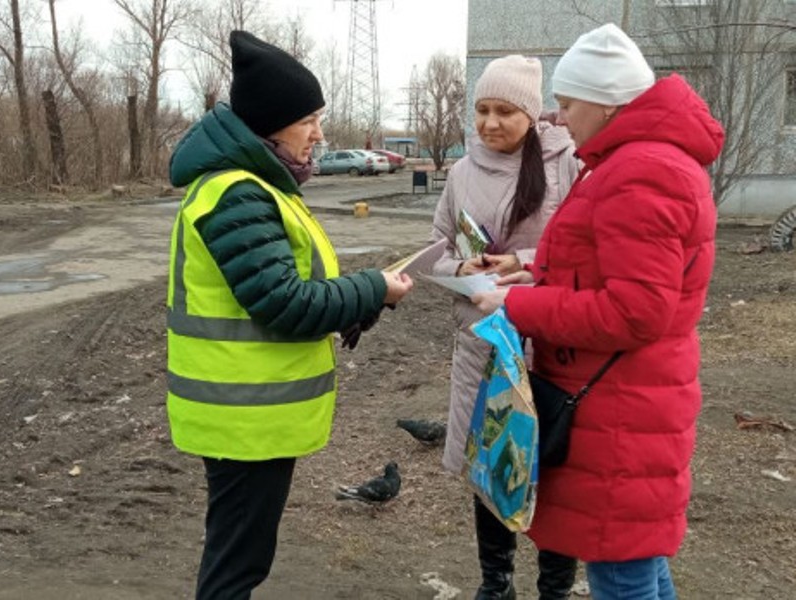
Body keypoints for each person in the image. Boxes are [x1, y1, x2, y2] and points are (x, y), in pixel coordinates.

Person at [472, 23, 725, 599]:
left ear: (605, 103)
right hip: (628, 399)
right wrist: (531, 270)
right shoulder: (636, 161)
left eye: (565, 103)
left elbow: (635, 310)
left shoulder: (641, 171)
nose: (558, 118)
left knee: (621, 569)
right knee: (637, 562)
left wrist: (518, 304)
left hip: (620, 409)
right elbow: (612, 270)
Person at [165, 30, 413, 600]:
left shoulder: (259, 187)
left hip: (250, 412)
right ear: (270, 125)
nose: (320, 134)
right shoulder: (236, 193)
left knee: (241, 556)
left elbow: (293, 291)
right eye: (309, 121)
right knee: (236, 568)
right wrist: (373, 286)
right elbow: (284, 303)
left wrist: (363, 302)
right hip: (243, 416)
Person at [430, 55, 580, 600]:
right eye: (482, 110)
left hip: (550, 344)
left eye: (505, 112)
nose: (490, 123)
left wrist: (523, 261)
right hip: (483, 343)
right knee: (490, 465)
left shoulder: (567, 166)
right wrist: (458, 269)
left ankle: (555, 588)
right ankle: (496, 583)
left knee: (556, 468)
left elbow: (585, 251)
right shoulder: (461, 171)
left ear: (532, 114)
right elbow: (438, 249)